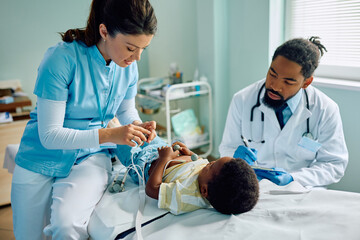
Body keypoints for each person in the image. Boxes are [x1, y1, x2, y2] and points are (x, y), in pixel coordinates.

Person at [11, 0, 158, 239]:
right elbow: (49, 136)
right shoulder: (61, 59)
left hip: (90, 155)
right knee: (28, 235)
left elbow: (127, 112)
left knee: (67, 227)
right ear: (104, 31)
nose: (137, 57)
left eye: (143, 49)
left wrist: (138, 126)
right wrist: (112, 135)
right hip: (40, 155)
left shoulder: (128, 67)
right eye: (131, 48)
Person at [219, 37, 348, 187]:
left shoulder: (325, 109)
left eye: (288, 82)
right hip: (254, 186)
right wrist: (234, 158)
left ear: (306, 82)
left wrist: (293, 179)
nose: (275, 86)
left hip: (302, 189)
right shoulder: (242, 100)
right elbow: (227, 147)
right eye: (272, 74)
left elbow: (334, 164)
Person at [112, 136, 259, 215]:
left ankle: (109, 138)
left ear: (204, 191)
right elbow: (200, 162)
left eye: (212, 165)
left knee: (120, 138)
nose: (209, 162)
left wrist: (164, 159)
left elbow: (152, 189)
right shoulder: (208, 178)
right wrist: (189, 153)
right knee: (145, 131)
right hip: (161, 150)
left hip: (142, 162)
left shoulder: (185, 196)